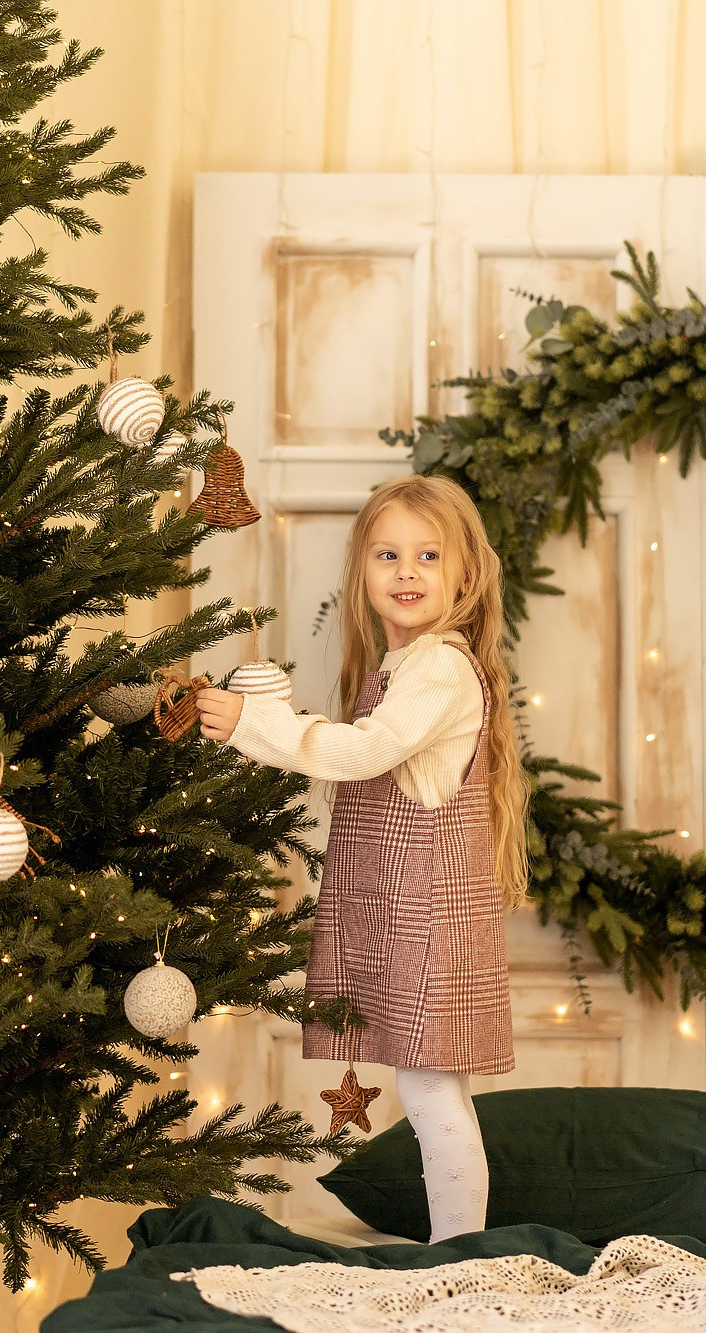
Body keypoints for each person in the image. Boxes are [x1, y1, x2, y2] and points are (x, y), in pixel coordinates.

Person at [196, 473, 528, 1242]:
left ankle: (460, 1257)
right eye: (388, 554)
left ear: (463, 574)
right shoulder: (406, 667)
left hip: (428, 921)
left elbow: (363, 751)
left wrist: (254, 722)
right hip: (406, 917)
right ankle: (458, 1250)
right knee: (433, 1095)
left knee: (434, 1098)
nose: (406, 572)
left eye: (426, 555)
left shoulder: (442, 668)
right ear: (363, 572)